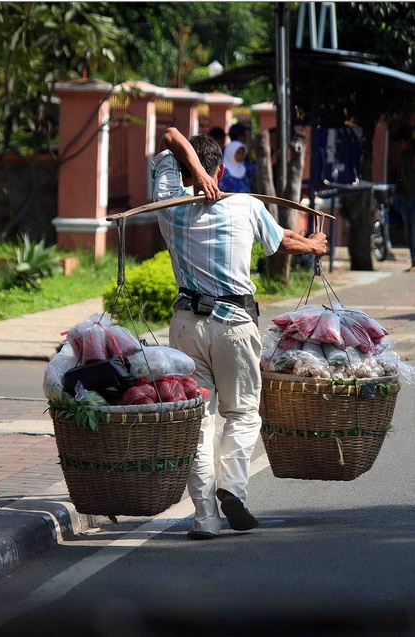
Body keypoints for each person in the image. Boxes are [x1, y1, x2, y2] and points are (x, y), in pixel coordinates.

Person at [151, 127, 327, 540]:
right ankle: (232, 487)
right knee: (243, 413)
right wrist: (315, 246)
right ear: (220, 171)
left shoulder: (168, 206)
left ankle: (205, 519)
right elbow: (281, 242)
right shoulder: (244, 205)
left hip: (186, 325)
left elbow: (169, 137)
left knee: (199, 422)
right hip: (234, 325)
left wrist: (191, 167)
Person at [393, 126, 415, 271]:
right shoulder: (403, 156)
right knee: (409, 231)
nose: (399, 145)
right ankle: (413, 261)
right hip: (406, 198)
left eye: (401, 142)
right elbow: (400, 178)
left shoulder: (412, 156)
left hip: (413, 198)